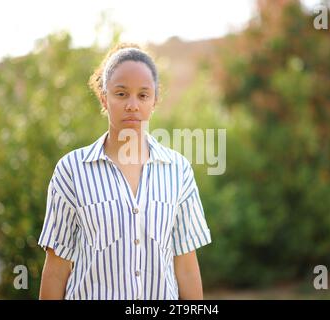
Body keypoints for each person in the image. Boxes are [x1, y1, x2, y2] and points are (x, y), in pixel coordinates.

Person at [38, 43, 212, 300]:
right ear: (104, 97)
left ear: (154, 100)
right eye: (121, 94)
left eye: (143, 95)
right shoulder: (71, 171)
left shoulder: (179, 171)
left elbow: (185, 267)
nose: (132, 105)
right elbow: (56, 270)